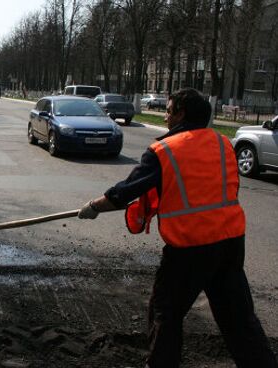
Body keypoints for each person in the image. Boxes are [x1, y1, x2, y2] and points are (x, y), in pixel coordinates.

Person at [77, 88, 277, 368]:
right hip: (230, 242)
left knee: (166, 313)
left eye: (169, 111)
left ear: (181, 114)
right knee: (238, 318)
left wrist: (95, 206)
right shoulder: (222, 143)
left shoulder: (165, 150)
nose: (167, 117)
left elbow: (126, 191)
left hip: (189, 248)